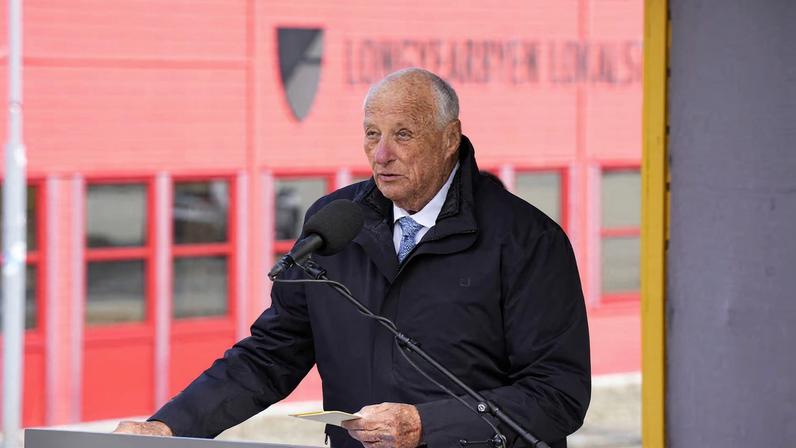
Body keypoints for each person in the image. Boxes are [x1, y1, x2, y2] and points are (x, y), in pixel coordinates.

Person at [115, 68, 590, 447]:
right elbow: (270, 356)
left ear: (449, 139)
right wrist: (170, 427)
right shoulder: (334, 224)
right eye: (371, 134)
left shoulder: (526, 239)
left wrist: (427, 425)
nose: (381, 154)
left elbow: (557, 395)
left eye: (403, 134)